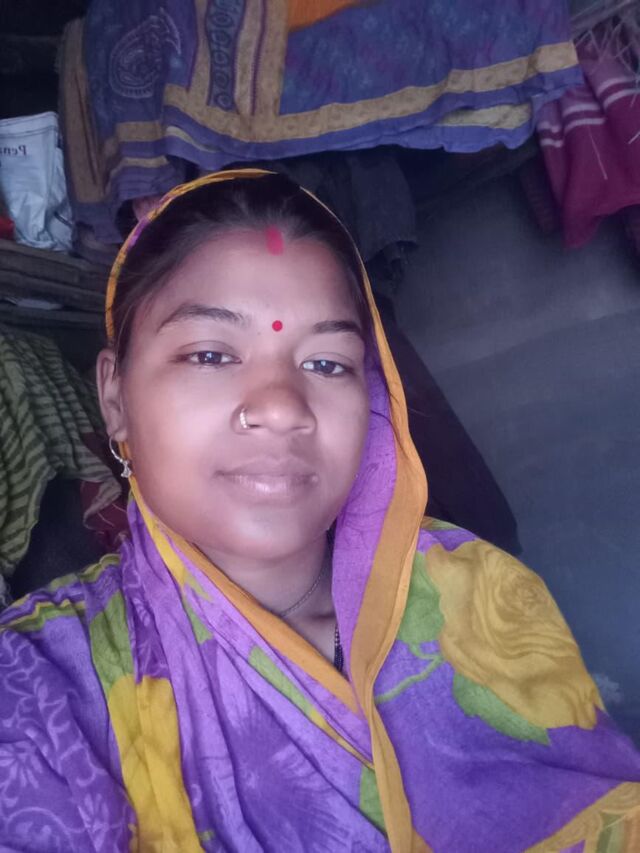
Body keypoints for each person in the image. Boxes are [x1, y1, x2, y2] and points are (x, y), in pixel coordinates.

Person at [0, 169, 638, 852]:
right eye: (211, 354)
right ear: (114, 396)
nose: (281, 406)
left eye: (327, 363)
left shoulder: (478, 592)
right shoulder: (42, 686)